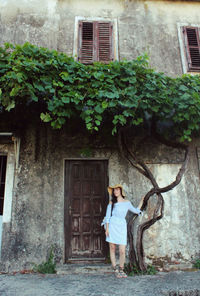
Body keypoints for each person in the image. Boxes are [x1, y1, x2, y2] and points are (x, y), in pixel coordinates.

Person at [103, 184, 142, 278]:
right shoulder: (111, 203)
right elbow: (108, 216)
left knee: (122, 250)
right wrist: (107, 229)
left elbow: (136, 211)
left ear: (120, 191)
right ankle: (115, 269)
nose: (115, 192)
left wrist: (141, 202)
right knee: (112, 248)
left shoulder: (127, 202)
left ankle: (121, 269)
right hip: (112, 225)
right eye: (114, 190)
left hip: (121, 226)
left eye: (117, 190)